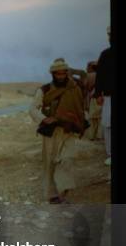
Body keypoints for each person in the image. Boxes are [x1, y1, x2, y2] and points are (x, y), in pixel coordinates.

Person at [29, 58, 86, 204]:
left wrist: (78, 121)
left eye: (63, 73)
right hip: (51, 131)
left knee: (67, 160)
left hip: (68, 130)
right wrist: (43, 119)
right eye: (57, 74)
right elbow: (33, 109)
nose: (60, 76)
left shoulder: (75, 88)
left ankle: (63, 192)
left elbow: (79, 107)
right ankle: (52, 194)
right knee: (50, 163)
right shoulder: (45, 90)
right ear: (53, 74)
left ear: (66, 73)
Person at [94, 26, 114, 166]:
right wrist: (98, 94)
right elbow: (99, 76)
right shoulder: (105, 54)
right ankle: (110, 154)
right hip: (109, 96)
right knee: (108, 125)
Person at [83, 61, 102, 141]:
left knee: (92, 118)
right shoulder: (103, 75)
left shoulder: (88, 76)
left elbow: (85, 86)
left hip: (92, 98)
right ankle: (99, 136)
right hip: (101, 98)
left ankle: (91, 136)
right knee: (100, 118)